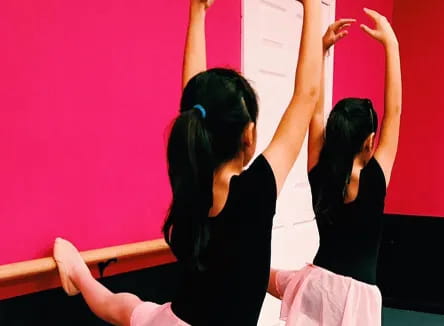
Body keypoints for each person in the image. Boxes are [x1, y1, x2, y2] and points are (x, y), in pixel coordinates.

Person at [53, 0, 324, 325]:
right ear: (249, 135)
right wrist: (311, 6)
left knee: (122, 307)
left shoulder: (193, 177)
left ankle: (78, 274)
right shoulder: (256, 189)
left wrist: (197, 13)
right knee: (126, 308)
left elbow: (194, 100)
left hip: (176, 320)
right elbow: (306, 96)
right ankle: (78, 273)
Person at [268, 8, 402, 326]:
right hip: (356, 299)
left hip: (317, 285)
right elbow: (394, 111)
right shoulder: (374, 177)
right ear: (370, 142)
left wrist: (322, 49)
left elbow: (314, 110)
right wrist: (391, 45)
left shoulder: (320, 169)